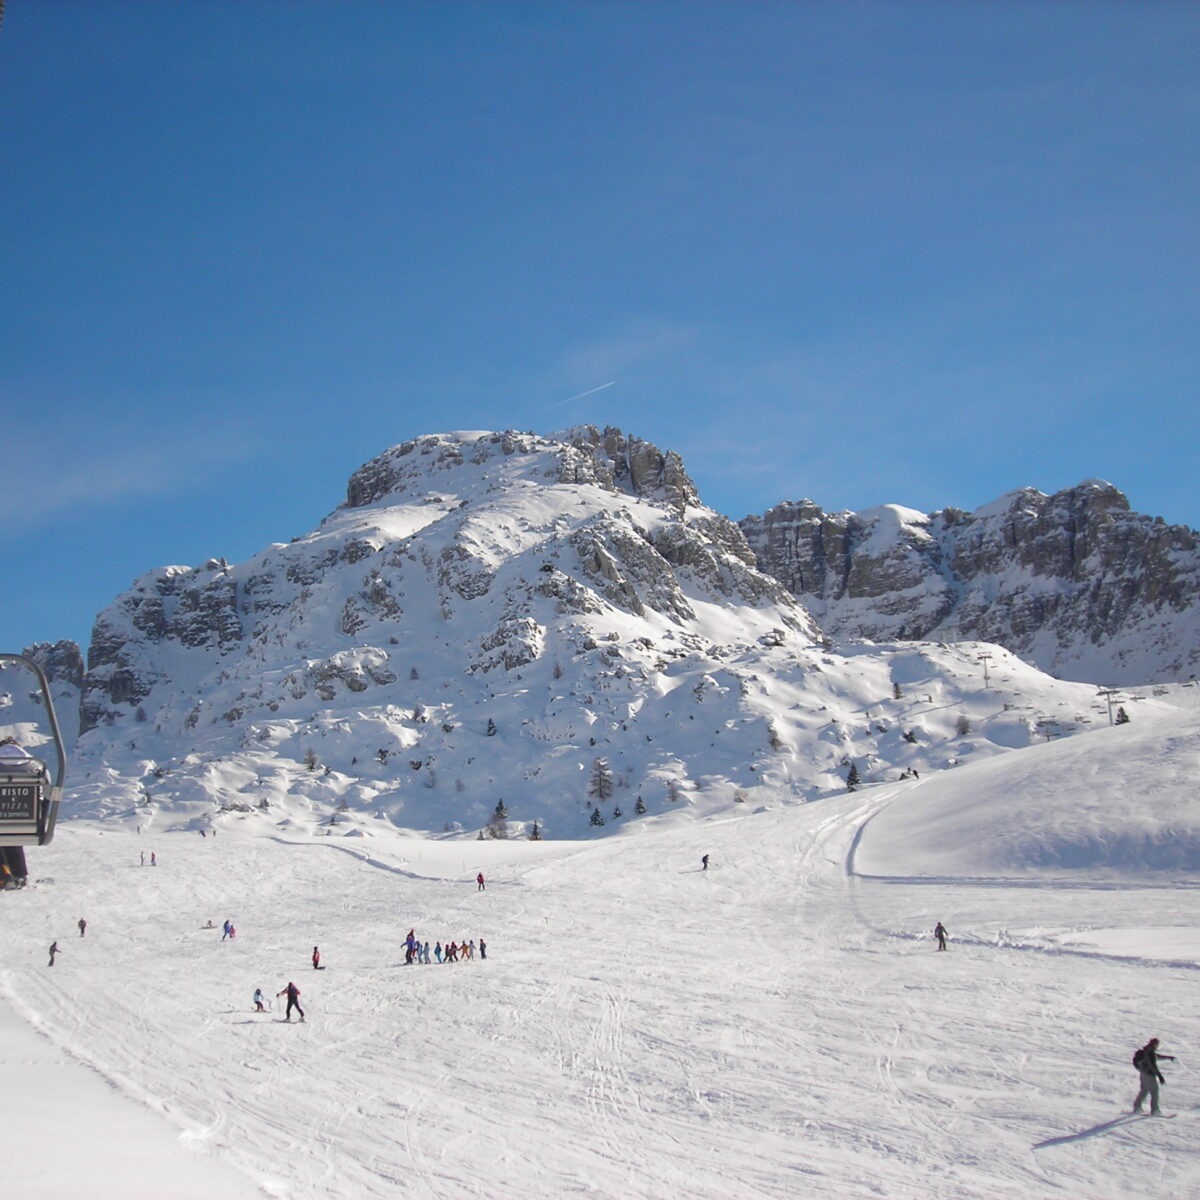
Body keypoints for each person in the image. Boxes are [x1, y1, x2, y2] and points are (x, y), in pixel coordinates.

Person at [1133, 1037, 1175, 1115]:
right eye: (1157, 1044)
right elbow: (1153, 1065)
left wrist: (1168, 1057)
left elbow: (1157, 1057)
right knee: (1154, 1090)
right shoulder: (1150, 1052)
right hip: (1149, 1074)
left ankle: (1137, 1107)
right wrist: (1160, 1076)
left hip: (1143, 1073)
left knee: (1144, 1090)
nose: (1157, 1046)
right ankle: (1155, 1110)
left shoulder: (1147, 1050)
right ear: (1154, 1044)